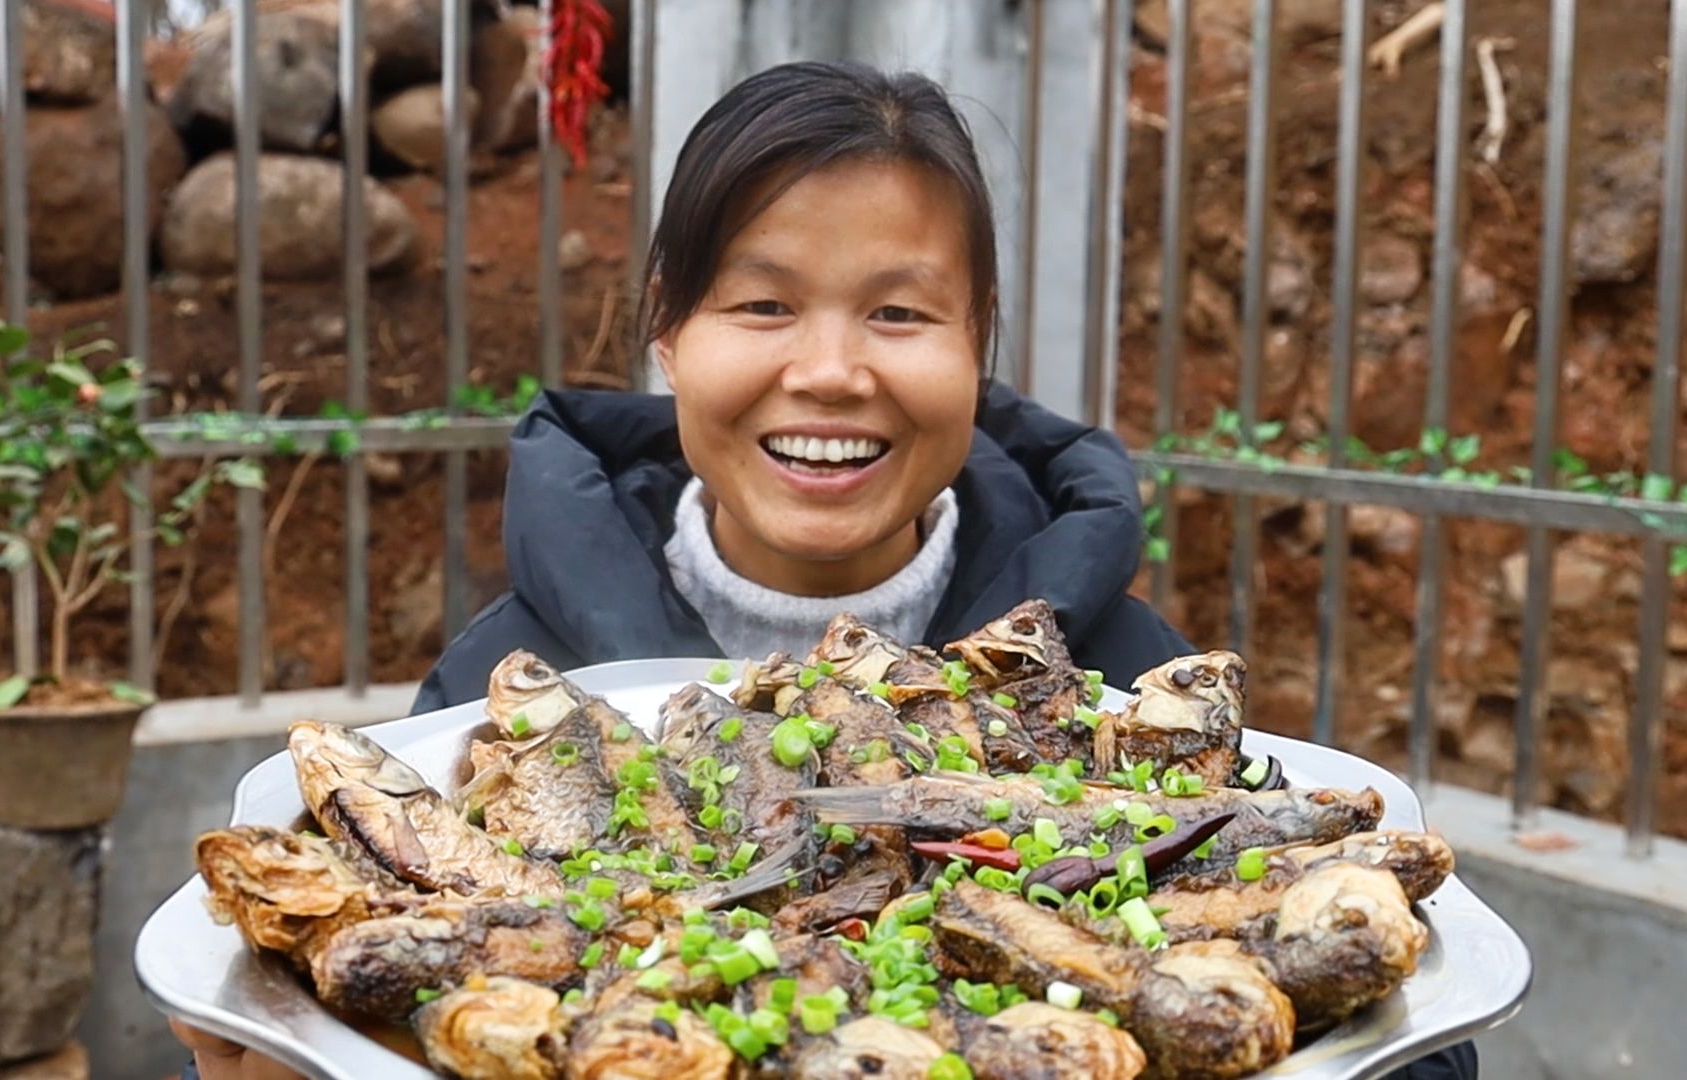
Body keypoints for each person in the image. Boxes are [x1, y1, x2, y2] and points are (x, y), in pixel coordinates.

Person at [173, 60, 1475, 1080]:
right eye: (763, 304)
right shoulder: (504, 683)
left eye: (901, 312)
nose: (833, 370)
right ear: (666, 330)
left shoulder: (1125, 681)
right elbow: (366, 978)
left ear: (981, 343)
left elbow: (1405, 1032)